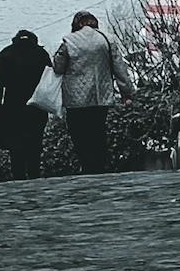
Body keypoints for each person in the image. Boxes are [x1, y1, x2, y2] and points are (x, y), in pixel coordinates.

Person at [53, 10, 133, 176]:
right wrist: (127, 93)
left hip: (75, 99)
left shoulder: (68, 41)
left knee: (79, 133)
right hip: (100, 96)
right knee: (98, 131)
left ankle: (86, 165)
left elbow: (58, 67)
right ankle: (99, 166)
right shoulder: (106, 39)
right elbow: (120, 68)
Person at [0, 28, 53, 180]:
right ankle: (34, 174)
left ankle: (18, 176)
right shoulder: (41, 54)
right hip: (37, 105)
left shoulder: (5, 54)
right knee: (35, 142)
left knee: (16, 144)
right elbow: (50, 79)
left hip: (12, 106)